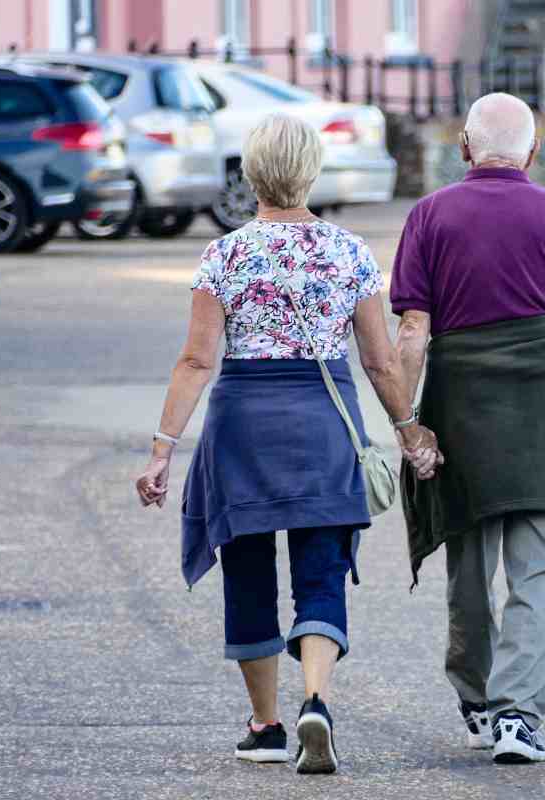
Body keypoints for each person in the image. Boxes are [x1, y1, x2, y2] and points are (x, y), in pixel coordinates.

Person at [134, 113, 441, 776]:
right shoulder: (351, 253)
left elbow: (195, 360)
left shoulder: (226, 254)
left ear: (251, 174)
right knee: (321, 575)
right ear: (310, 172)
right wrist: (409, 432)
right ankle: (318, 703)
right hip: (323, 428)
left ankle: (266, 725)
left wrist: (162, 447)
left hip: (242, 431)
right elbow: (382, 363)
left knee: (248, 574)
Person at [390, 93, 545, 765]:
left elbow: (412, 333)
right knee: (544, 566)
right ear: (533, 153)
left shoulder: (429, 216)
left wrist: (407, 421)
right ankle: (518, 719)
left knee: (467, 561)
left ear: (465, 150)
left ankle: (477, 700)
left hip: (462, 401)